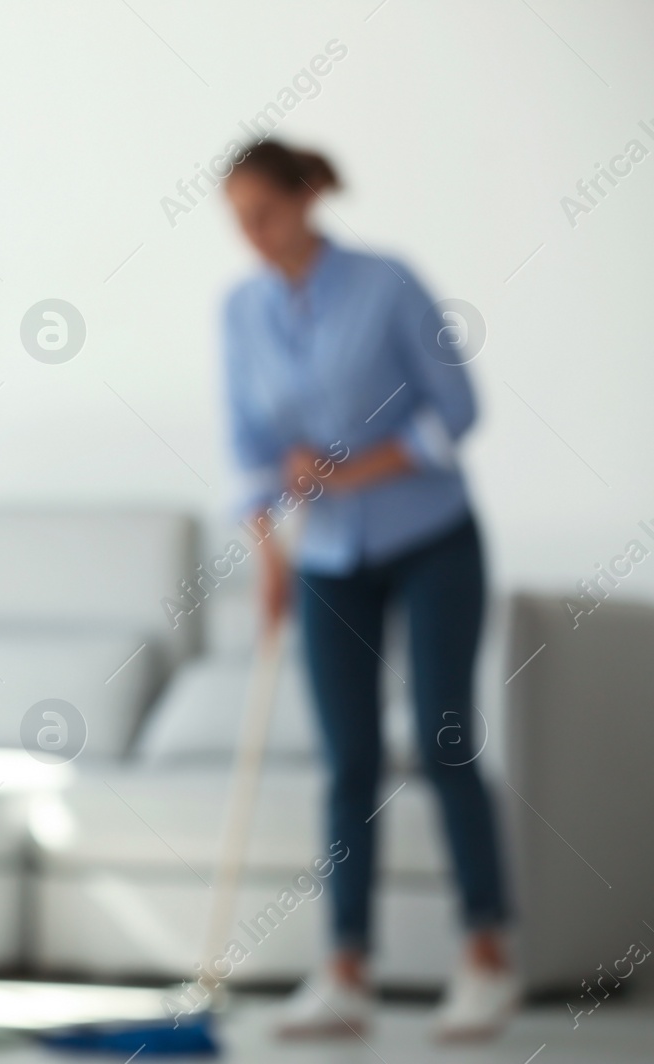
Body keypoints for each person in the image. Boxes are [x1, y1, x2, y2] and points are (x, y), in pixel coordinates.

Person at [220, 140, 517, 1041]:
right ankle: (346, 971)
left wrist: (364, 468)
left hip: (430, 539)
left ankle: (487, 959)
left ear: (306, 198)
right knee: (347, 763)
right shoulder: (240, 311)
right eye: (238, 222)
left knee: (441, 739)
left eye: (263, 215)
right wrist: (270, 556)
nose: (252, 236)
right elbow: (248, 450)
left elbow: (458, 410)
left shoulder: (387, 283)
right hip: (324, 558)